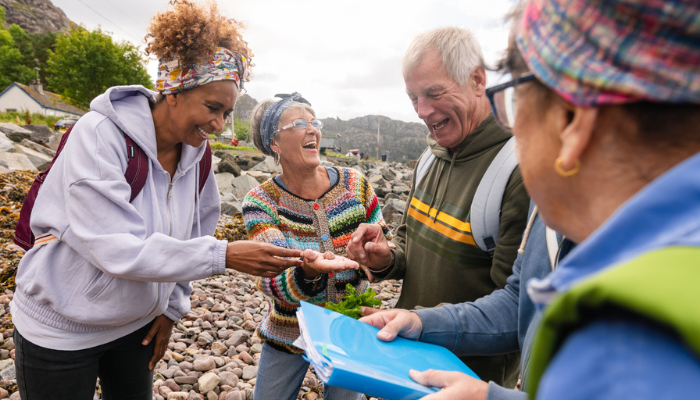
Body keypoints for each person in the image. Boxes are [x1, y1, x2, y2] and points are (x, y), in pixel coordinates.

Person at [369, 0, 700, 398]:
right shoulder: (551, 216)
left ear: (571, 119)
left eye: (515, 101)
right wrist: (428, 329)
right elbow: (519, 299)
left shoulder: (623, 347)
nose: (511, 129)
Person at [9, 1, 307, 399]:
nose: (218, 125)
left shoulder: (196, 153)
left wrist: (170, 309)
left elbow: (195, 232)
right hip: (62, 328)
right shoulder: (100, 135)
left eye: (227, 112)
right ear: (173, 91)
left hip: (137, 328)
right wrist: (225, 255)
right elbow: (113, 246)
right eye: (212, 107)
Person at [346, 27, 530, 385]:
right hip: (406, 357)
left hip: (468, 381)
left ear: (478, 80)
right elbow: (408, 249)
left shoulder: (518, 170)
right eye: (413, 97)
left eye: (433, 93)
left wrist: (422, 324)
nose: (422, 111)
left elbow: (515, 307)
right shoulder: (428, 159)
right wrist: (386, 258)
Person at [242, 93, 392, 400]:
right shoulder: (261, 201)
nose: (313, 130)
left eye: (314, 122)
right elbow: (273, 278)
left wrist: (376, 255)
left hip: (350, 326)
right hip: (290, 330)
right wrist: (308, 272)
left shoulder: (356, 185)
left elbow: (384, 249)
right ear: (275, 143)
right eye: (299, 123)